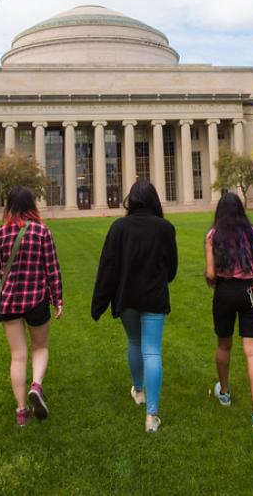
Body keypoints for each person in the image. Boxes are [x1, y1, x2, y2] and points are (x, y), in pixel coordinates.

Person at [91, 180, 178, 433]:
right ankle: (151, 416)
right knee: (152, 351)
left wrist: (99, 304)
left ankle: (138, 390)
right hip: (153, 297)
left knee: (135, 343)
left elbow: (107, 268)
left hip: (126, 297)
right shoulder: (164, 228)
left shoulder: (119, 227)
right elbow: (171, 269)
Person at [0, 186, 63, 427]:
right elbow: (52, 268)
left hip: (9, 301)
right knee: (40, 347)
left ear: (9, 206)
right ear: (32, 205)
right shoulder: (42, 232)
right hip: (37, 299)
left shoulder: (0, 233)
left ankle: (21, 412)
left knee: (17, 356)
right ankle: (36, 386)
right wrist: (57, 299)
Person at [205, 192, 253, 432]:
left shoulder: (213, 236)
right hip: (250, 291)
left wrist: (214, 281)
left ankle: (224, 392)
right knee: (252, 352)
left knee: (223, 345)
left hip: (224, 292)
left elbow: (209, 275)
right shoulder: (252, 233)